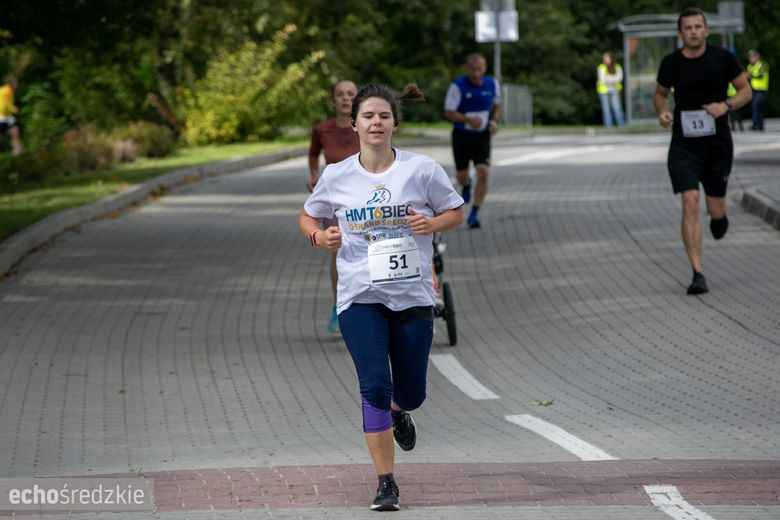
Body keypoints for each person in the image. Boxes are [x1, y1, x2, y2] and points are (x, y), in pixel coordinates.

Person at [299, 83, 464, 511]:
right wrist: (320, 235)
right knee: (373, 384)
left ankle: (399, 410)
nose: (376, 122)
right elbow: (307, 215)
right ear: (353, 123)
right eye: (368, 116)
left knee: (411, 393)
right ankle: (385, 482)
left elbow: (455, 211)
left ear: (394, 123)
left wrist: (433, 226)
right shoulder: (337, 176)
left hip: (411, 295)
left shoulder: (421, 170)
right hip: (359, 296)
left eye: (384, 116)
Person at [654, 7, 751, 295]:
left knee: (714, 209)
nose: (693, 32)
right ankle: (697, 273)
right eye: (688, 27)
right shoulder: (671, 63)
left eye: (698, 27)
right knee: (690, 202)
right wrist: (663, 112)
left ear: (706, 30)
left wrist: (727, 106)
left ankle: (720, 217)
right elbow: (660, 93)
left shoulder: (722, 59)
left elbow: (745, 90)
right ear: (680, 33)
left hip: (717, 145)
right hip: (684, 144)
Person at [308, 80, 360, 333]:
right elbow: (313, 153)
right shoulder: (322, 129)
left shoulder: (364, 125)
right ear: (333, 100)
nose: (345, 98)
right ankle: (338, 305)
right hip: (336, 199)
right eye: (340, 94)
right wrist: (314, 175)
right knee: (338, 251)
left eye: (351, 94)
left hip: (364, 197)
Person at [444, 53, 501, 229]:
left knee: (483, 172)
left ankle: (475, 213)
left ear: (484, 68)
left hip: (482, 135)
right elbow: (448, 111)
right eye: (473, 69)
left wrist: (494, 121)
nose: (476, 73)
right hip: (461, 135)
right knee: (461, 176)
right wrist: (467, 120)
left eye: (479, 69)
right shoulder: (458, 86)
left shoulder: (492, 83)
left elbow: (497, 105)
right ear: (467, 69)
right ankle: (466, 183)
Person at [597, 52, 625, 128]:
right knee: (606, 111)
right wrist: (613, 79)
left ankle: (621, 126)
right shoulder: (601, 67)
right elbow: (602, 79)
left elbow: (619, 78)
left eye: (607, 58)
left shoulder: (617, 67)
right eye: (604, 58)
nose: (605, 60)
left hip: (615, 90)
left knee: (617, 109)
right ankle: (608, 127)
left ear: (611, 59)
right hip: (604, 91)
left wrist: (608, 78)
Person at [746, 50, 769, 131]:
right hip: (753, 90)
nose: (751, 58)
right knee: (755, 107)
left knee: (757, 106)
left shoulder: (762, 64)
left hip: (761, 90)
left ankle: (756, 124)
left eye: (753, 56)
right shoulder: (750, 66)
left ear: (758, 56)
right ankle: (759, 125)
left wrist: (751, 75)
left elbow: (760, 75)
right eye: (750, 56)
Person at [0, 76, 23, 155]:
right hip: (1, 117)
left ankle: (17, 151)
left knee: (15, 131)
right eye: (15, 83)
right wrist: (13, 109)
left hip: (7, 116)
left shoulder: (10, 91)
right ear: (11, 84)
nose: (17, 85)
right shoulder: (5, 92)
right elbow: (3, 106)